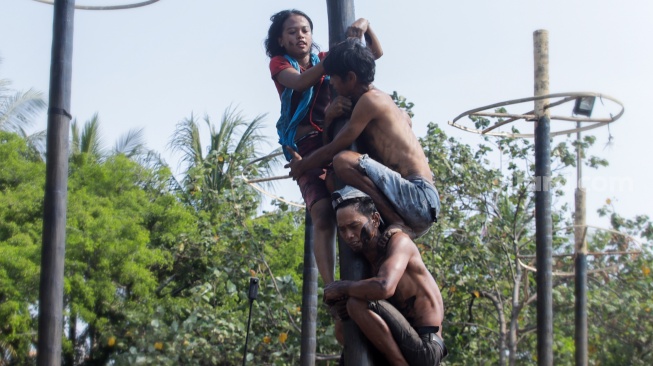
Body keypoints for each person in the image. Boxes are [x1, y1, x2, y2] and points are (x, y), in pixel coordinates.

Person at [266, 10, 383, 284]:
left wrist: (365, 26)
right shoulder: (280, 64)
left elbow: (374, 53)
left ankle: (375, 263)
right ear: (281, 40)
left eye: (305, 30)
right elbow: (300, 82)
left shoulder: (326, 59)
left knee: (358, 202)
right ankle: (331, 285)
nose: (300, 36)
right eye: (293, 32)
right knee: (321, 212)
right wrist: (339, 55)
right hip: (306, 145)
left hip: (334, 136)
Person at [285, 38, 440, 243]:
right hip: (412, 201)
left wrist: (302, 165)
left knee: (343, 161)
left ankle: (397, 223)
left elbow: (333, 151)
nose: (331, 83)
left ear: (350, 78)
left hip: (418, 198)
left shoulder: (372, 100)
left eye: (334, 78)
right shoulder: (372, 101)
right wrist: (330, 118)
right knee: (333, 178)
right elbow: (331, 146)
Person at [325, 186, 447, 365]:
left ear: (374, 219)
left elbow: (385, 287)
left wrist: (342, 287)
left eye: (354, 226)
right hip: (397, 342)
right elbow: (341, 333)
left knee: (356, 302)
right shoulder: (366, 265)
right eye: (342, 230)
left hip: (425, 348)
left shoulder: (399, 243)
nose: (348, 235)